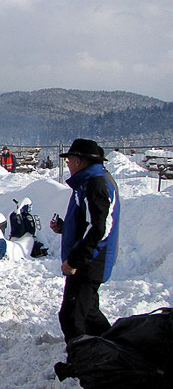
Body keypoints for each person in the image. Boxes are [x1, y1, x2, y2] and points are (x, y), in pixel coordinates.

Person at [49, 138, 120, 343]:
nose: (67, 164)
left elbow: (100, 229)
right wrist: (65, 228)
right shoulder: (87, 182)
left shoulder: (95, 184)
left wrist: (75, 260)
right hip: (88, 257)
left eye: (69, 160)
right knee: (89, 312)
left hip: (89, 261)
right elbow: (88, 221)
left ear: (79, 161)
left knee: (71, 317)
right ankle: (114, 347)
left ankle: (81, 356)